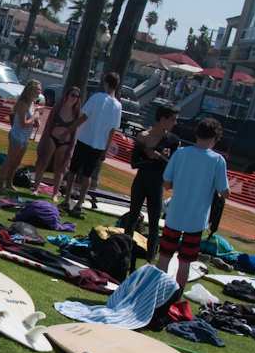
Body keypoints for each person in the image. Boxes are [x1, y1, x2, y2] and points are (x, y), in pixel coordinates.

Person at [157, 117, 230, 288]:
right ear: (214, 139)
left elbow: (167, 183)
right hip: (196, 221)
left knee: (163, 259)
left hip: (174, 214)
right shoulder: (218, 161)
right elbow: (224, 192)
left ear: (197, 134)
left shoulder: (181, 153)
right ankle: (175, 299)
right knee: (185, 264)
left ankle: (154, 295)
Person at [60, 72, 123, 217]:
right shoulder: (118, 106)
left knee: (74, 170)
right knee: (88, 175)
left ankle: (67, 199)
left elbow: (84, 117)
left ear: (105, 82)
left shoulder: (96, 98)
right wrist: (105, 149)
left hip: (85, 139)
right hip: (99, 144)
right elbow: (113, 130)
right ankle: (80, 203)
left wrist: (68, 131)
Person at [125, 104, 180, 264]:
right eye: (172, 119)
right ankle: (125, 251)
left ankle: (151, 257)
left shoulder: (173, 141)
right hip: (141, 180)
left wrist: (158, 157)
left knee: (154, 222)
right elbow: (134, 163)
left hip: (157, 184)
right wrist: (149, 158)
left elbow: (173, 166)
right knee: (132, 216)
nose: (174, 123)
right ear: (162, 119)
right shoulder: (143, 136)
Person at [32, 86, 82, 195]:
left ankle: (55, 194)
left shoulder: (77, 112)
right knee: (43, 162)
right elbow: (48, 125)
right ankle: (35, 189)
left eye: (77, 96)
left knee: (60, 168)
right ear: (67, 95)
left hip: (65, 143)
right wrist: (43, 140)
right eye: (72, 95)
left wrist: (71, 149)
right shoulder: (58, 107)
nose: (74, 98)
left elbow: (75, 132)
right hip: (52, 138)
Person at [0, 80, 42, 192]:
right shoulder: (23, 103)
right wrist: (34, 117)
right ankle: (0, 184)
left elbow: (31, 123)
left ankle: (9, 183)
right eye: (37, 90)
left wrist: (36, 120)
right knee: (9, 160)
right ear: (31, 90)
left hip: (25, 138)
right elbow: (23, 123)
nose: (39, 93)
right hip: (17, 136)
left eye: (40, 90)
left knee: (17, 162)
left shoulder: (32, 104)